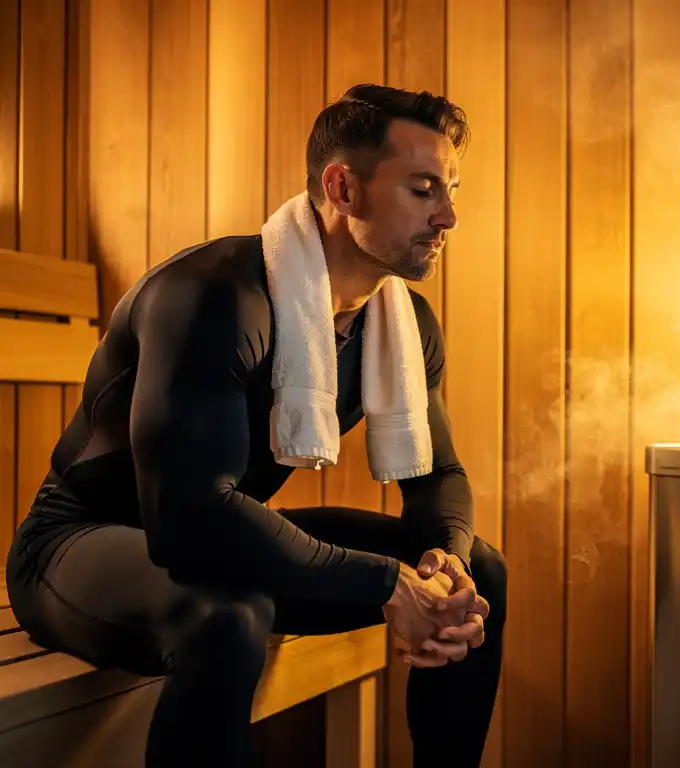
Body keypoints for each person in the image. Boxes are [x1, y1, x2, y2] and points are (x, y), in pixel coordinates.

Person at [5, 84, 505, 768]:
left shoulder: (403, 326)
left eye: (450, 188)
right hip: (81, 545)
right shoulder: (217, 296)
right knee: (230, 616)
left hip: (216, 541)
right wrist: (386, 584)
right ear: (343, 187)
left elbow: (437, 476)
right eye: (423, 190)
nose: (449, 215)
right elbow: (190, 520)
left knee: (477, 572)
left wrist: (440, 557)